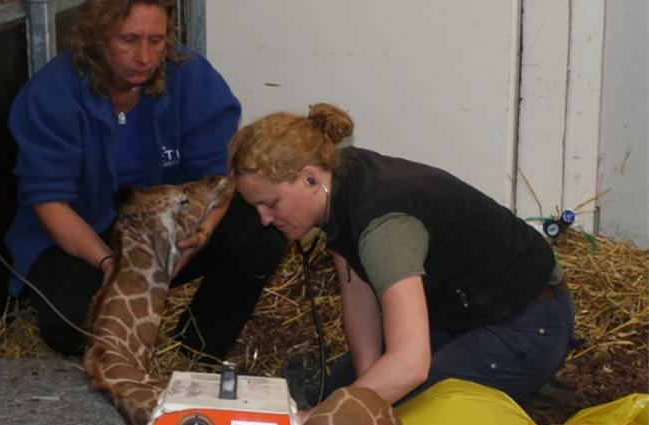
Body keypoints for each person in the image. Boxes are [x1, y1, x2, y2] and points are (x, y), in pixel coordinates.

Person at [228, 103, 576, 418]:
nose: (264, 219)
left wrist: (337, 414)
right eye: (255, 206)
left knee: (402, 410)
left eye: (271, 203)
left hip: (526, 323)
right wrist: (361, 393)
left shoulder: (384, 224)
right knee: (346, 396)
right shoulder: (337, 184)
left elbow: (410, 364)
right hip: (459, 315)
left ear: (309, 177)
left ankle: (523, 386)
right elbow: (358, 295)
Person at [4, 0, 286, 359]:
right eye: (129, 40)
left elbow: (218, 177)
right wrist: (111, 265)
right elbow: (48, 199)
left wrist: (203, 233)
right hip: (83, 230)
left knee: (262, 228)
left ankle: (199, 352)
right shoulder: (53, 93)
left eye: (156, 40)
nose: (144, 57)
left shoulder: (191, 77)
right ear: (98, 37)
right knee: (72, 322)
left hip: (169, 223)